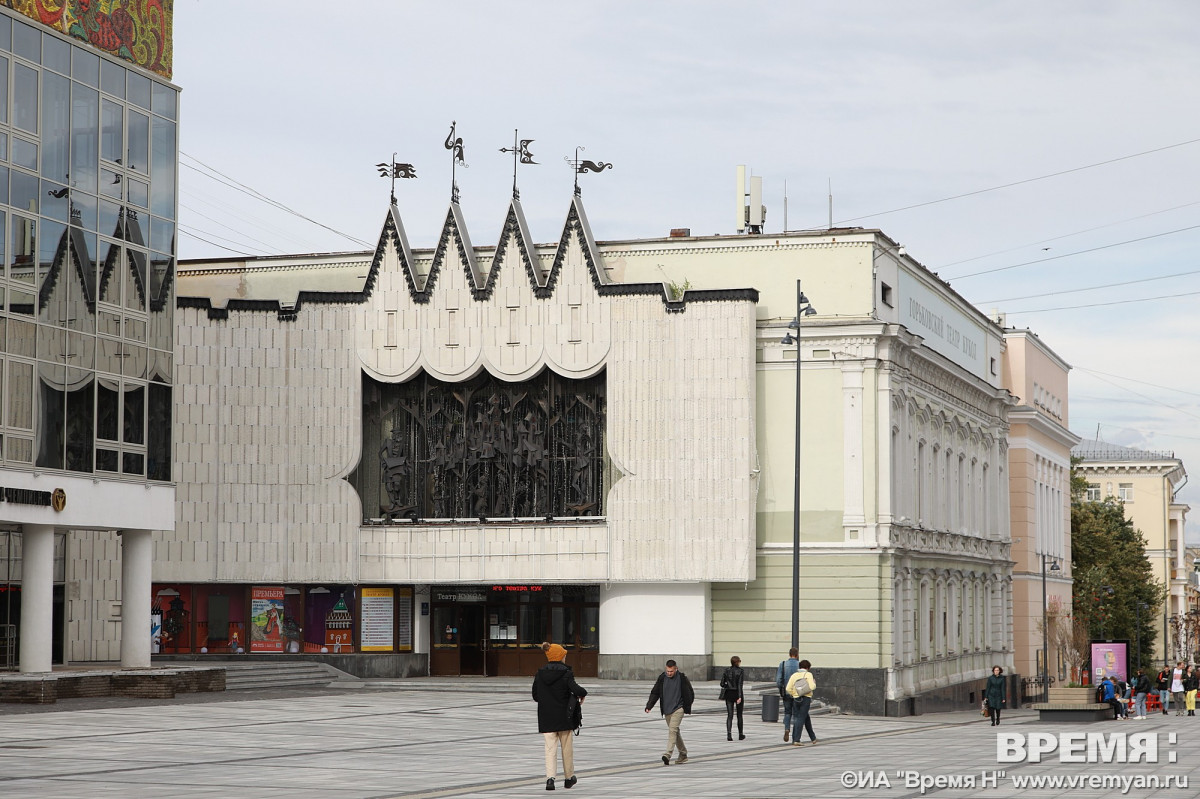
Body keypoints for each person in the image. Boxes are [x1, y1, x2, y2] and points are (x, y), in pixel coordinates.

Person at [532, 642, 587, 791]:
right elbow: (576, 689)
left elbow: (535, 695)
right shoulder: (566, 673)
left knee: (550, 749)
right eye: (564, 655)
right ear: (560, 657)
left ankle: (550, 779)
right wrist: (583, 693)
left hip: (546, 717)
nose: (565, 658)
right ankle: (569, 778)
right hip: (564, 717)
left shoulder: (540, 674)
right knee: (566, 748)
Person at [645, 659, 694, 765]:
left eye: (671, 671)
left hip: (679, 708)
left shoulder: (682, 678)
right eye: (667, 671)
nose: (669, 673)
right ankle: (683, 754)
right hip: (667, 709)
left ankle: (667, 754)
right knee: (675, 732)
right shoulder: (662, 678)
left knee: (672, 731)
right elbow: (655, 692)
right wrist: (649, 706)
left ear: (676, 669)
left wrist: (686, 705)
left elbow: (690, 692)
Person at [785, 659, 818, 746]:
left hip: (796, 698)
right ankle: (796, 739)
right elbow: (812, 687)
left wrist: (794, 694)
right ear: (807, 668)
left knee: (804, 718)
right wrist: (814, 683)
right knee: (801, 719)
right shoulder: (808, 674)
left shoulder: (794, 675)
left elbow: (788, 688)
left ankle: (813, 738)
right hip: (806, 698)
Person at [775, 648, 800, 742]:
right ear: (797, 654)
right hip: (797, 693)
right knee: (796, 714)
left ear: (789, 654)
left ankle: (787, 728)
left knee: (787, 712)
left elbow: (778, 680)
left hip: (786, 692)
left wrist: (781, 689)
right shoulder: (799, 665)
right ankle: (795, 737)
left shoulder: (783, 664)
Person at [720, 655, 745, 741]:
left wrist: (727, 685)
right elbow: (740, 685)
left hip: (729, 693)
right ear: (737, 662)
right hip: (737, 693)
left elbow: (722, 683)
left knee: (730, 715)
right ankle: (740, 734)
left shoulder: (726, 670)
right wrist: (740, 696)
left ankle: (729, 734)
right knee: (739, 715)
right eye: (739, 661)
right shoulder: (740, 671)